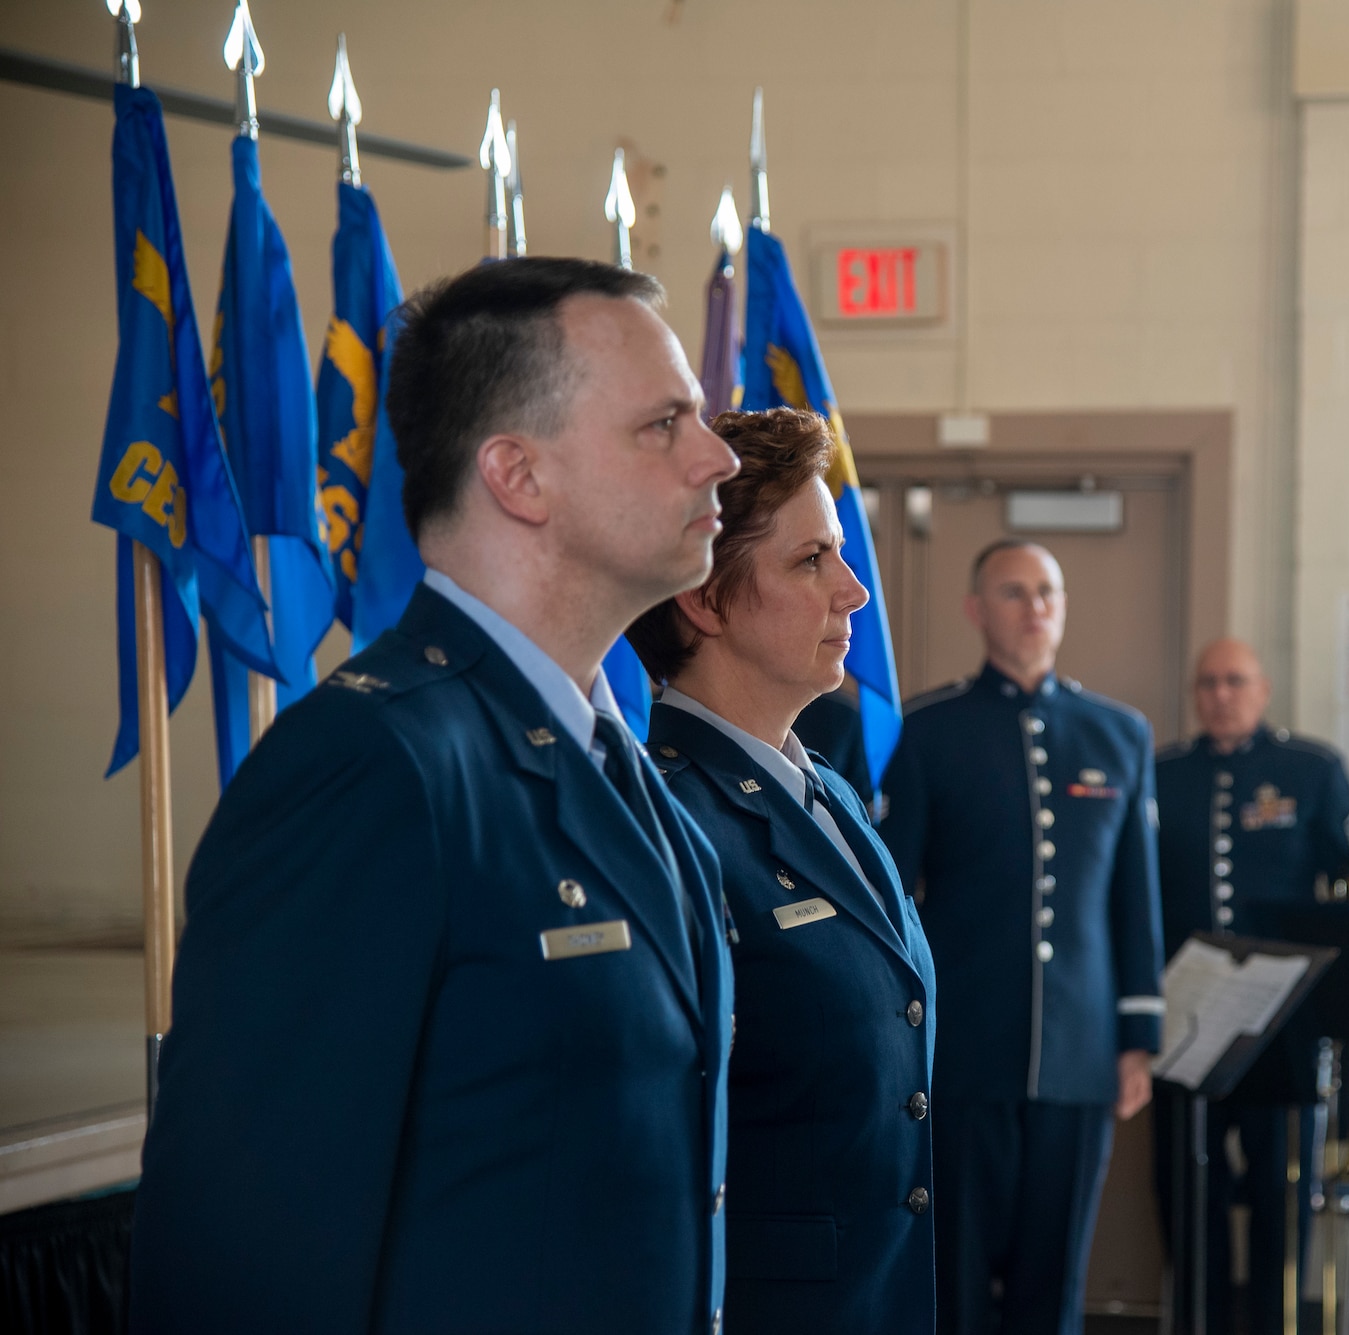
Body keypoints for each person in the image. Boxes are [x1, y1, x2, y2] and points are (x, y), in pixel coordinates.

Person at [128, 258, 741, 1333]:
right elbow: (244, 1257)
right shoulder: (371, 766)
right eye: (663, 424)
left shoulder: (617, 758)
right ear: (517, 475)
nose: (717, 455)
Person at [626, 407, 937, 1335]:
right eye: (811, 561)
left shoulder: (826, 788)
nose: (855, 591)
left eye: (838, 554)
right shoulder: (667, 819)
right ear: (705, 599)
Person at [878, 538, 1165, 1335]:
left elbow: (1134, 899)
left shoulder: (1119, 734)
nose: (1035, 607)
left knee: (1056, 1281)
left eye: (1048, 591)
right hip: (964, 1048)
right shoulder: (928, 730)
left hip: (1080, 1053)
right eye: (1013, 591)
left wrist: (1138, 1034)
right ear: (976, 610)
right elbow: (895, 895)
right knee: (958, 1276)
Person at [1152, 636, 1349, 1335]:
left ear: (1264, 688)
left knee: (1283, 1189)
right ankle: (1200, 1319)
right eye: (1208, 682)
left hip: (1285, 1022)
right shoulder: (1162, 773)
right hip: (1184, 1013)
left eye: (1235, 681)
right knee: (1189, 1189)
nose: (1221, 694)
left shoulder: (1311, 769)